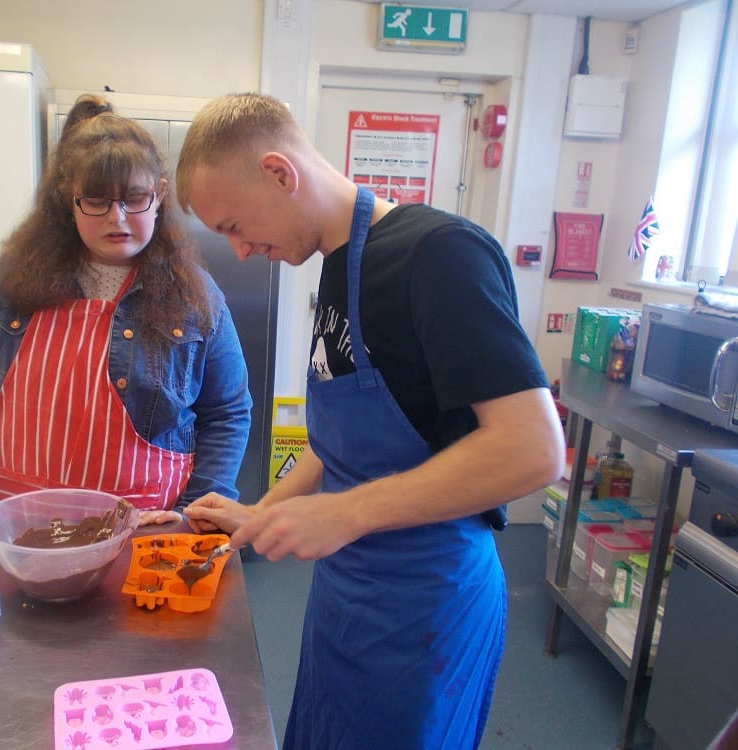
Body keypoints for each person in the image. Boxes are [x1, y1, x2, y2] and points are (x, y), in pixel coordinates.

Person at [176, 93, 564, 750]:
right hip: (348, 595)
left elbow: (532, 448)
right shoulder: (335, 268)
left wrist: (347, 513)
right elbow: (345, 442)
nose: (239, 251)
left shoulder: (439, 256)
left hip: (425, 604)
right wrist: (263, 513)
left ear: (279, 172)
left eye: (237, 225)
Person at [0, 94, 252, 539]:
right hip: (23, 527)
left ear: (158, 196)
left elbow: (227, 412)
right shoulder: (13, 282)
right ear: (69, 200)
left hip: (144, 529)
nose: (117, 218)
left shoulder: (197, 296)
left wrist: (197, 508)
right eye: (96, 201)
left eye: (134, 198)